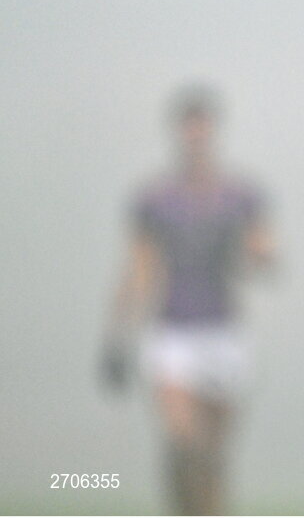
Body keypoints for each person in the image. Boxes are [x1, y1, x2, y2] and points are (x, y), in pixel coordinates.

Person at [101, 85, 274, 515]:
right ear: (179, 134)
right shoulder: (155, 199)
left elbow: (264, 255)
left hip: (223, 331)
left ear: (212, 132)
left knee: (213, 452)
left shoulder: (240, 195)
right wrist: (117, 335)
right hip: (173, 331)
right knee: (184, 441)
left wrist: (254, 252)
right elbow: (139, 268)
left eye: (203, 129)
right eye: (188, 129)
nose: (196, 138)